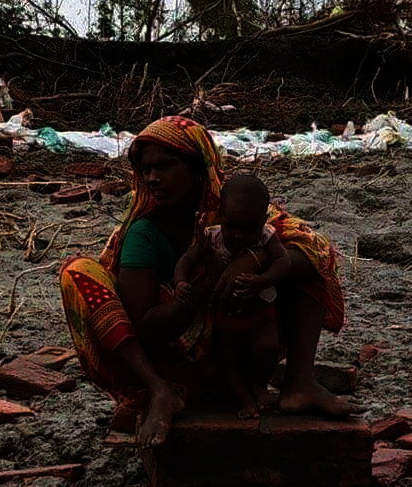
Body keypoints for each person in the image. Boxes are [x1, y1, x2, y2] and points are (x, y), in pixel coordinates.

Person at [59, 115, 356, 449]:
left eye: (165, 166)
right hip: (175, 366)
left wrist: (253, 259)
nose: (153, 178)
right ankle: (160, 393)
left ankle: (299, 383)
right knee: (77, 273)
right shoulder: (143, 233)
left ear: (199, 168)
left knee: (310, 255)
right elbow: (146, 327)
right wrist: (209, 279)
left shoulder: (234, 209)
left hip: (243, 353)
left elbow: (313, 249)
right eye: (146, 169)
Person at [173, 174, 291, 419]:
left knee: (268, 349)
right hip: (226, 316)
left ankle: (259, 384)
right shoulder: (212, 237)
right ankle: (245, 400)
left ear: (263, 220)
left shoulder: (266, 236)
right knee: (229, 360)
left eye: (249, 228)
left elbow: (283, 261)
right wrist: (181, 282)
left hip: (261, 312)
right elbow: (186, 260)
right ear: (221, 215)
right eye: (231, 226)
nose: (238, 235)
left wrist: (262, 281)